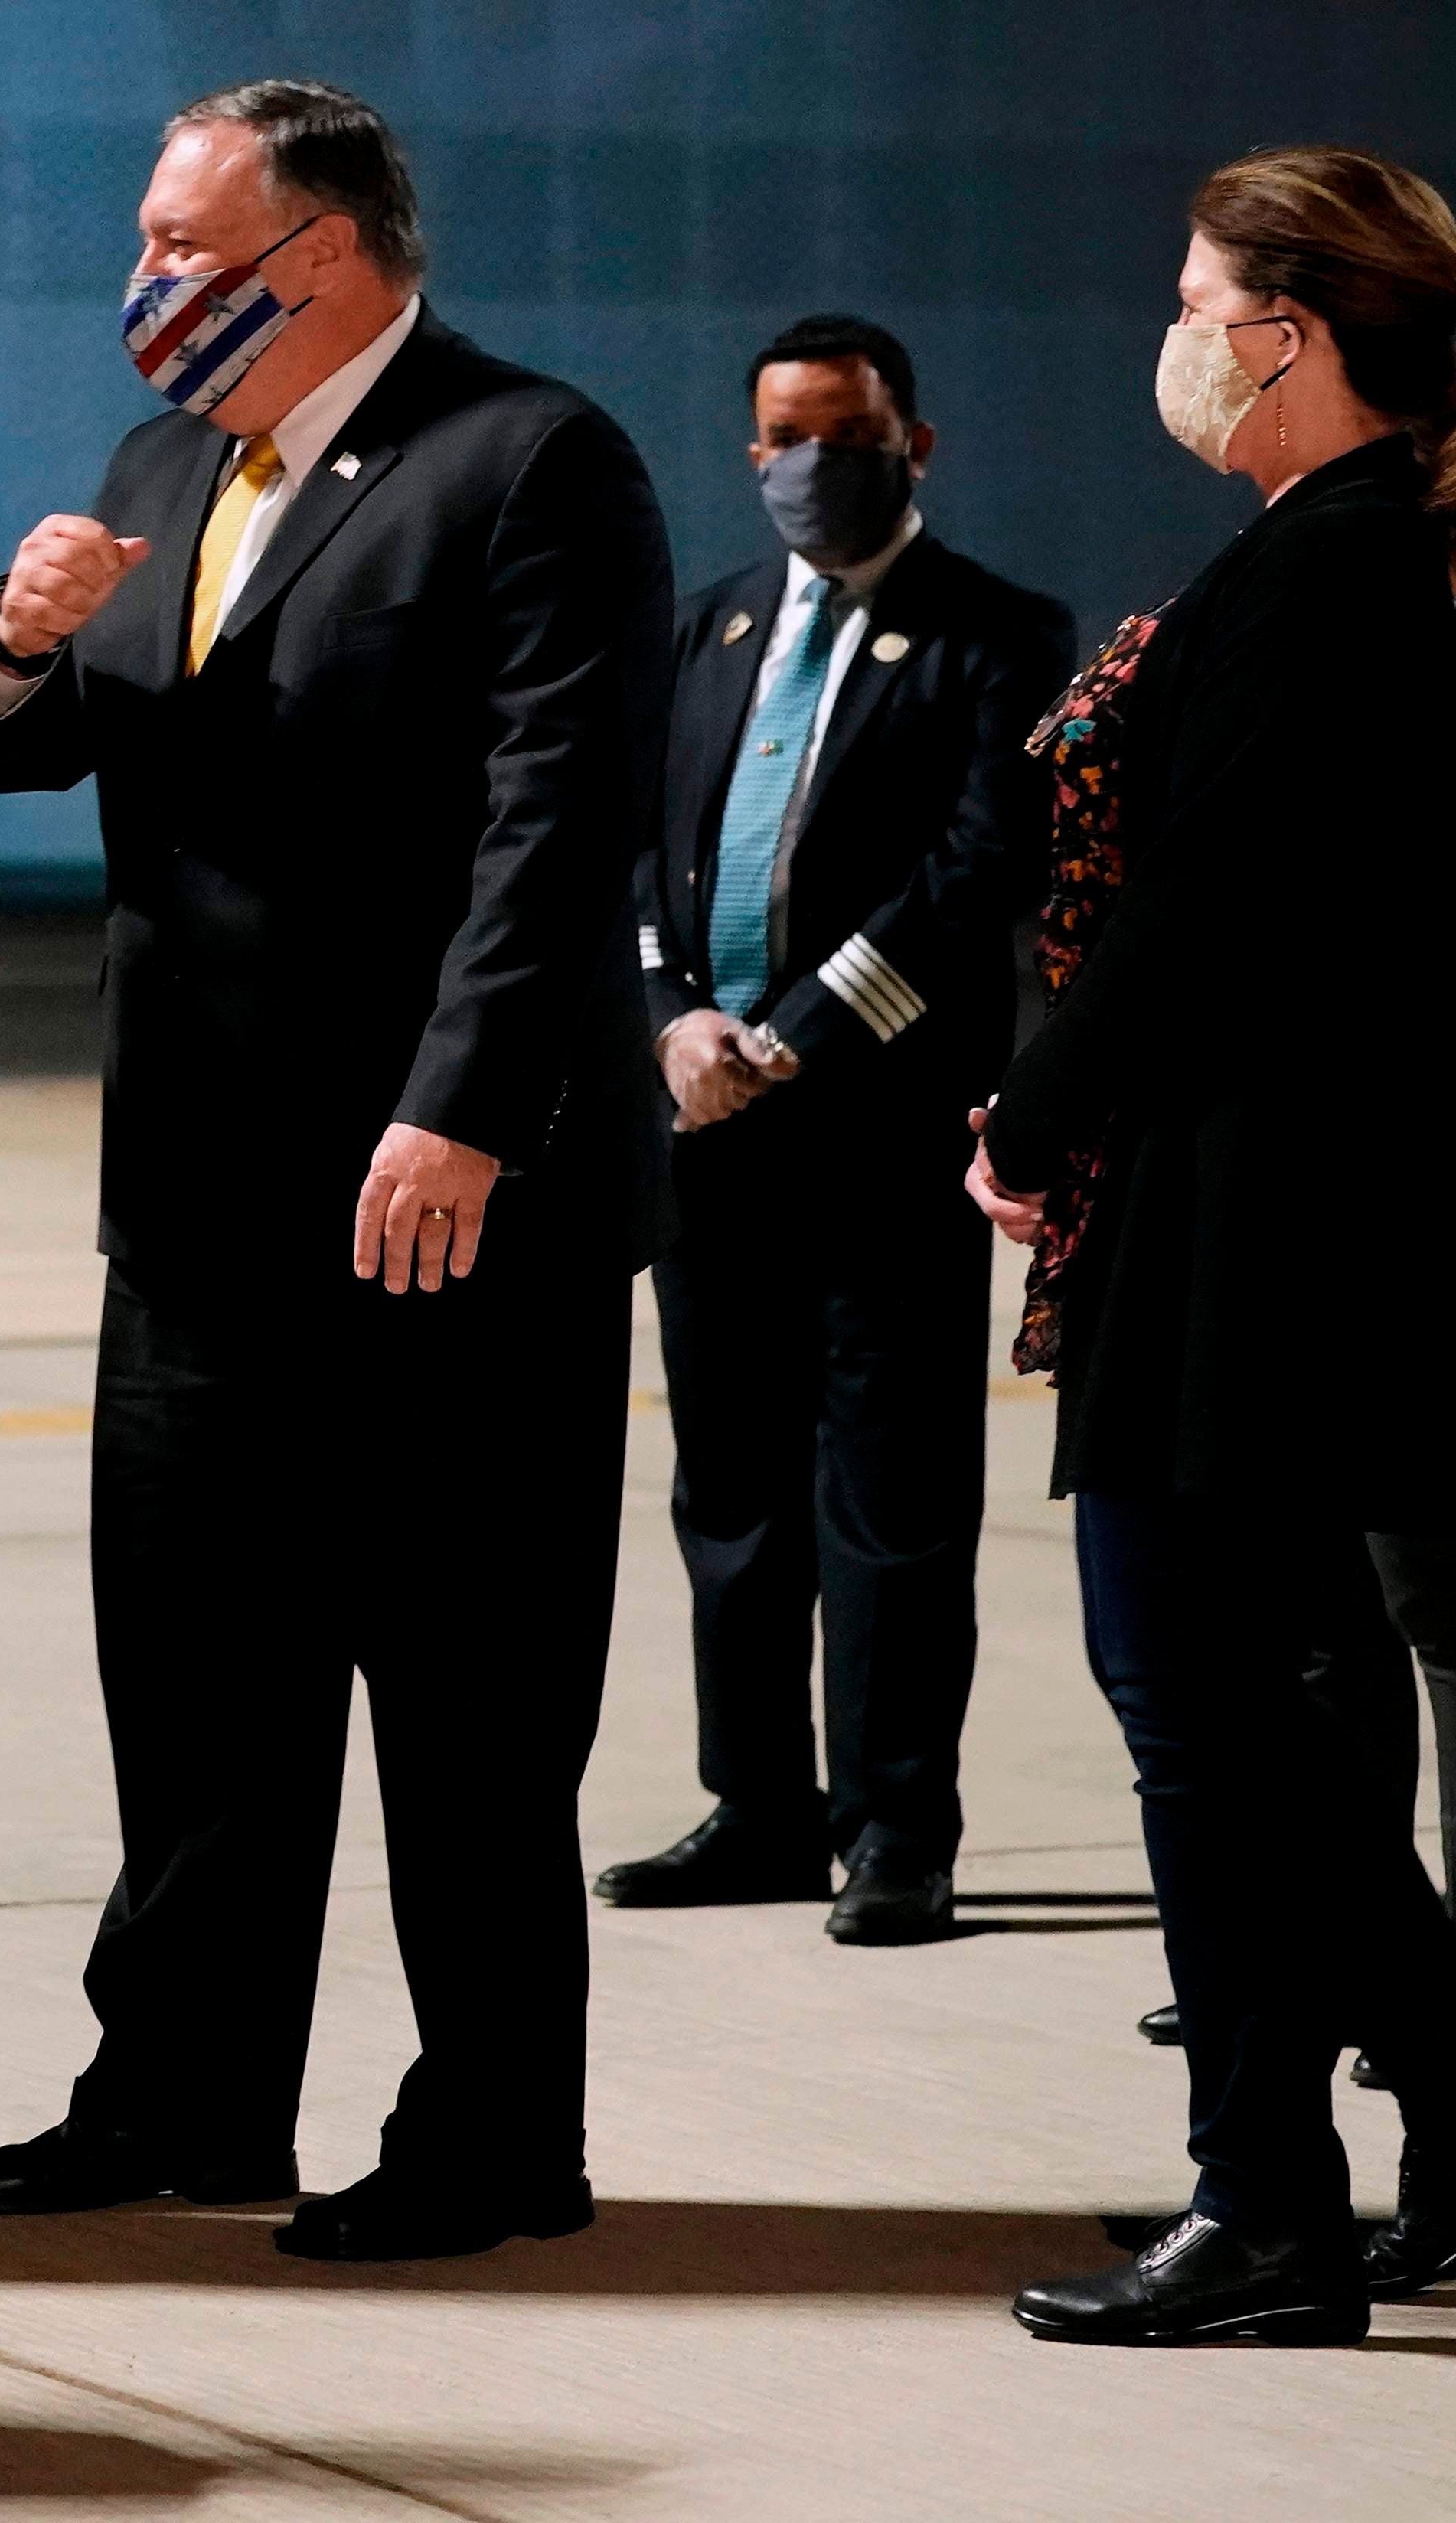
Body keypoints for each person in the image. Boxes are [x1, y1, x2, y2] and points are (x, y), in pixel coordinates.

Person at [0, 81, 674, 2263]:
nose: (140, 278)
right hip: (201, 1200)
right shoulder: (172, 464)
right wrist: (18, 630)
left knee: (465, 1700)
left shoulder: (528, 457)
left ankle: (495, 2132)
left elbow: (557, 822)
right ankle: (181, 2096)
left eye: (179, 241)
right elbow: (2, 738)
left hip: (445, 1203)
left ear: (320, 253)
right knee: (200, 1687)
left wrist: (459, 1108)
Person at [977, 145, 1456, 2349]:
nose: (1172, 339)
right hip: (1259, 1206)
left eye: (1194, 297)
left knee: (1196, 1705)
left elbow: (1211, 907)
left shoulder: (1330, 570)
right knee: (1216, 1700)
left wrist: (1032, 1122)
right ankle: (1454, 2099)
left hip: (1273, 1219)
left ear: (1291, 335)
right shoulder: (1335, 558)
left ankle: (1273, 2203)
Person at [598, 316, 1069, 1948]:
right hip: (703, 1124)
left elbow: (974, 873)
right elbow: (640, 858)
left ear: (913, 443)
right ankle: (760, 1805)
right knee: (728, 1483)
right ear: (753, 451)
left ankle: (895, 1824)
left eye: (845, 434)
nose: (812, 464)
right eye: (785, 437)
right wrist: (672, 1018)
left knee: (893, 1495)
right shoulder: (711, 624)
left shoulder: (997, 634)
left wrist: (790, 1039)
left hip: (872, 1131)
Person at [1141, 556, 1456, 2074]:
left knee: (1437, 1596)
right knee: (1327, 1617)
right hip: (1312, 1186)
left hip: (1418, 1197)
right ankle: (1350, 1948)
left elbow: (1422, 962)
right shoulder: (1349, 679)